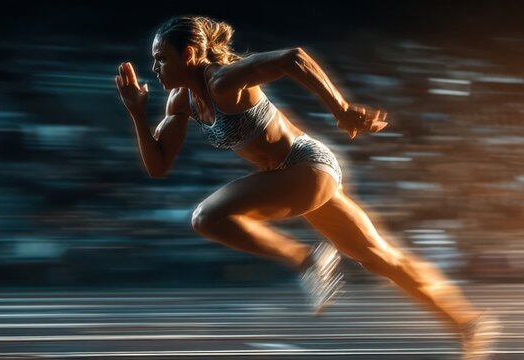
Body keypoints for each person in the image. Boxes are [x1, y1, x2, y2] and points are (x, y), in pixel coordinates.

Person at [114, 15, 498, 359]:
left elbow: (292, 58)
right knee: (383, 259)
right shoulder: (180, 102)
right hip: (292, 180)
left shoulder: (223, 80)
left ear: (191, 53)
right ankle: (467, 322)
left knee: (207, 217)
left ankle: (308, 258)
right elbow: (159, 164)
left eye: (162, 57)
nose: (155, 67)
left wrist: (341, 110)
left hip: (307, 166)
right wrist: (136, 112)